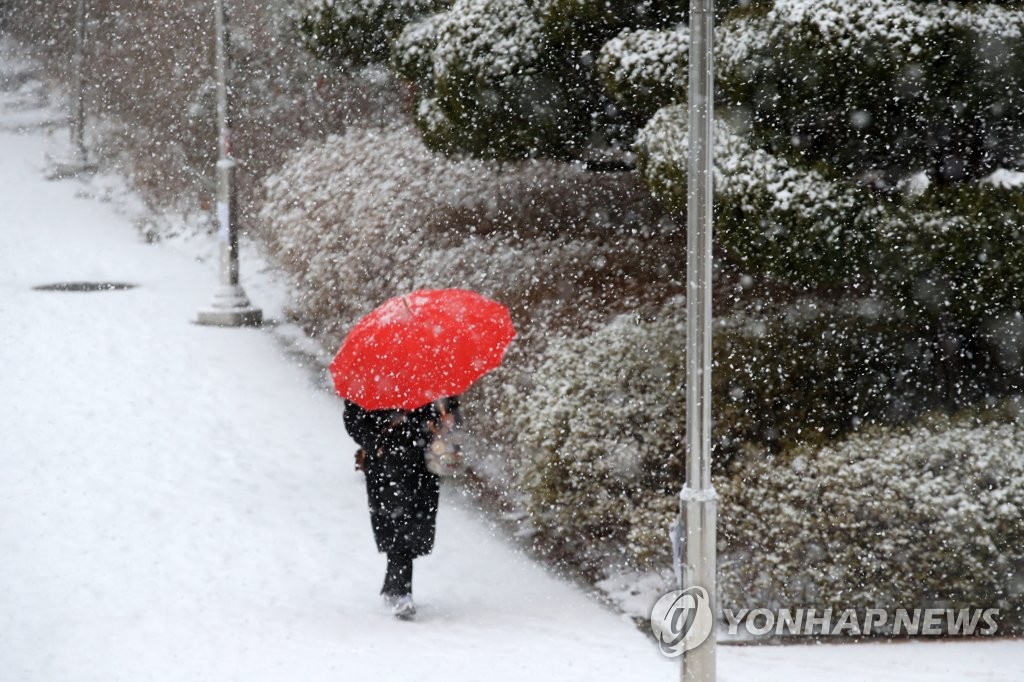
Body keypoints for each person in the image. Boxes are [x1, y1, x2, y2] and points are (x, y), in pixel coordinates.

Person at [343, 396, 460, 619]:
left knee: (416, 526)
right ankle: (401, 592)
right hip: (385, 463)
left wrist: (448, 422)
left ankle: (394, 586)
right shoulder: (372, 374)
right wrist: (377, 439)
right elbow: (354, 420)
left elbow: (450, 409)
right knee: (396, 527)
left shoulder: (430, 375)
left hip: (422, 464)